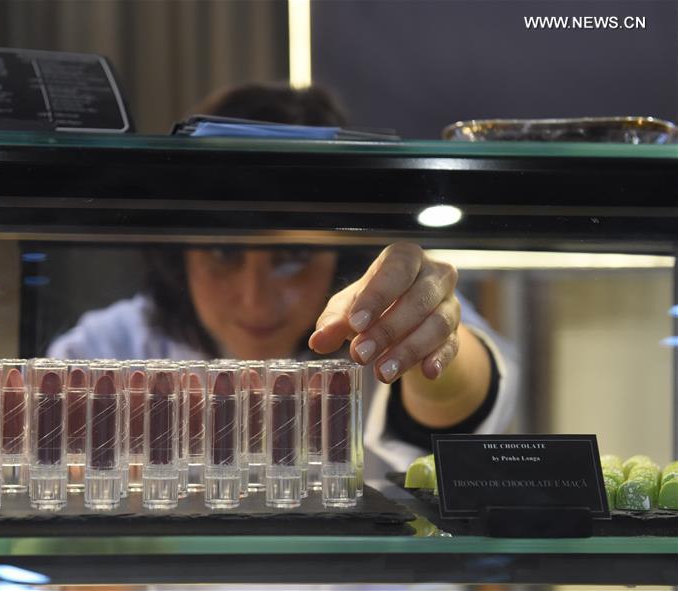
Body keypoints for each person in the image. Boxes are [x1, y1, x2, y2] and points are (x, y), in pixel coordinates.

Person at [48, 82, 518, 477]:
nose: (256, 300)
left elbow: (465, 397)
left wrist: (430, 337)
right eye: (223, 253)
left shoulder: (384, 317)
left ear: (337, 258)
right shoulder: (104, 350)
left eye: (293, 255)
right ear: (180, 253)